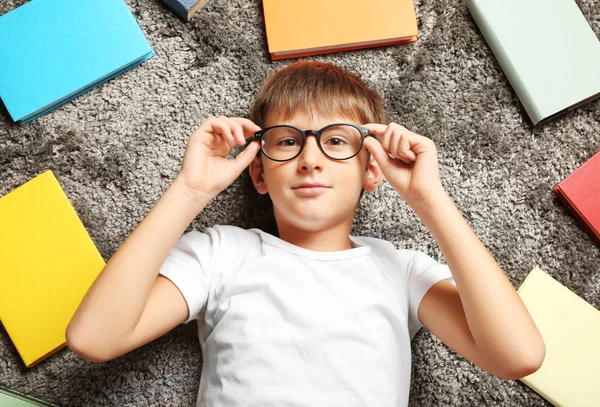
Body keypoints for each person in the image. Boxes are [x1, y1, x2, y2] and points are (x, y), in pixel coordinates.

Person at [66, 61, 545, 406]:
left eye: (336, 141)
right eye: (289, 141)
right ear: (258, 173)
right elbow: (94, 338)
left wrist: (430, 201)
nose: (310, 158)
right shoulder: (221, 252)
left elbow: (518, 356)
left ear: (371, 168)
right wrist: (190, 190)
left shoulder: (400, 269)